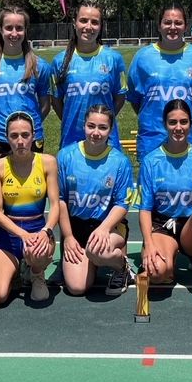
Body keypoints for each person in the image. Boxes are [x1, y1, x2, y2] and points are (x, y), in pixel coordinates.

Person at [137, 100, 192, 304]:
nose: (178, 128)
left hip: (191, 227)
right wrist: (149, 244)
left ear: (191, 124)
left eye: (183, 122)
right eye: (173, 122)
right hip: (162, 227)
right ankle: (171, 258)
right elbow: (144, 209)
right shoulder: (151, 161)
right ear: (164, 124)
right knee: (157, 273)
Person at [0, 111, 62, 309]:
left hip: (38, 235)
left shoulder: (48, 162)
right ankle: (15, 270)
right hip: (9, 237)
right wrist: (22, 235)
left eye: (25, 135)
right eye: (14, 136)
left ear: (33, 136)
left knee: (39, 299)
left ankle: (36, 273)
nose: (20, 141)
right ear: (7, 137)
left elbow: (56, 205)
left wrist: (46, 231)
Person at [57, 104, 135, 297]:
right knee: (76, 288)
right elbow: (59, 200)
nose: (96, 132)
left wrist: (104, 229)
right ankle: (90, 260)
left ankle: (122, 267)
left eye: (103, 127)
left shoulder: (119, 161)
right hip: (76, 228)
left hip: (108, 227)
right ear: (84, 125)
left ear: (110, 130)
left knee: (98, 252)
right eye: (91, 126)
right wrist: (67, 236)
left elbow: (122, 203)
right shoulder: (66, 156)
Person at [127, 4, 192, 160]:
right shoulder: (142, 58)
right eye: (167, 22)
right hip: (153, 143)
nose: (172, 27)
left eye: (178, 23)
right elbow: (136, 100)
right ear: (159, 26)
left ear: (186, 26)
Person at [0, 6, 54, 160]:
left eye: (19, 28)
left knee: (31, 183)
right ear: (1, 30)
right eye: (9, 28)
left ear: (26, 30)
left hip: (31, 138)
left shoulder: (39, 66)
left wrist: (28, 127)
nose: (14, 33)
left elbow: (45, 105)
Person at [50, 1, 126, 149]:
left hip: (106, 139)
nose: (88, 27)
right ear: (74, 23)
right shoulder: (59, 61)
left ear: (100, 26)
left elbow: (120, 98)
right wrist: (72, 120)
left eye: (94, 22)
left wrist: (104, 122)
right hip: (71, 139)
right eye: (83, 20)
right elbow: (56, 101)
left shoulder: (114, 59)